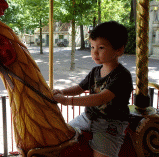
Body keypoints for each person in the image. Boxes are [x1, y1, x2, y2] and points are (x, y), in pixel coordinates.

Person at [53, 21, 133, 157]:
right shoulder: (95, 71)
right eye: (92, 47)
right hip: (88, 117)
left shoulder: (122, 76)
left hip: (111, 124)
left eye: (101, 48)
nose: (94, 52)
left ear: (119, 50)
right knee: (62, 135)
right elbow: (79, 87)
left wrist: (67, 101)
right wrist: (63, 91)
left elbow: (100, 98)